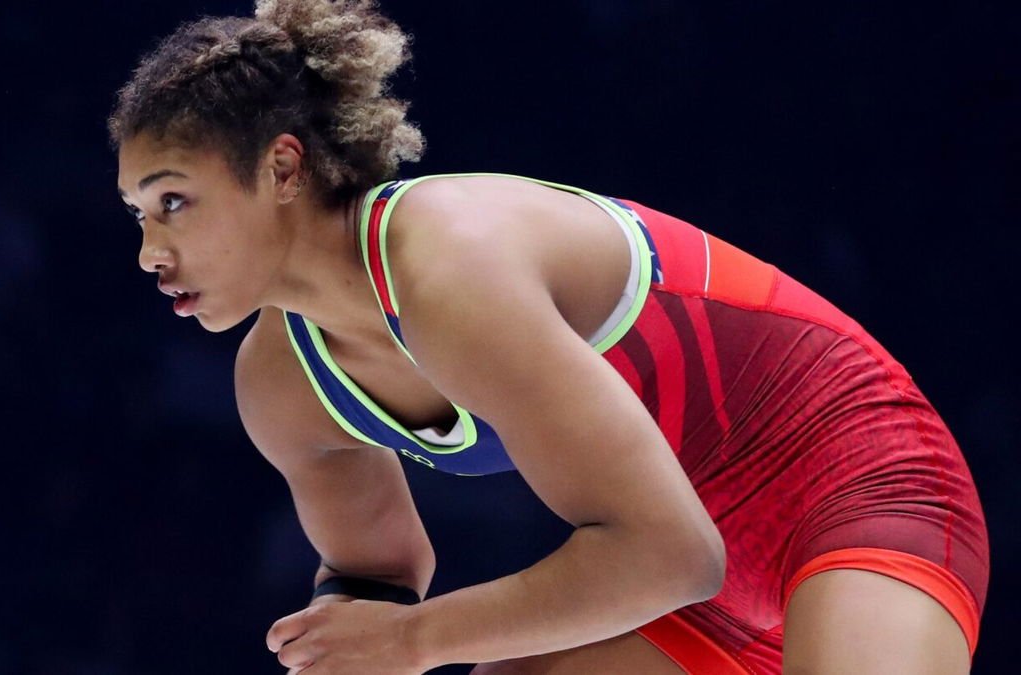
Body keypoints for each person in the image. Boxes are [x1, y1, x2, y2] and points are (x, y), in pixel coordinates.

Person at [108, 1, 989, 673]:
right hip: (686, 575)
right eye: (140, 213)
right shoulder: (280, 383)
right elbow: (375, 579)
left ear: (284, 168)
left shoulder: (447, 261)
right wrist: (348, 642)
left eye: (175, 199)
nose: (151, 250)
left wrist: (415, 640)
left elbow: (672, 552)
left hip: (854, 483)